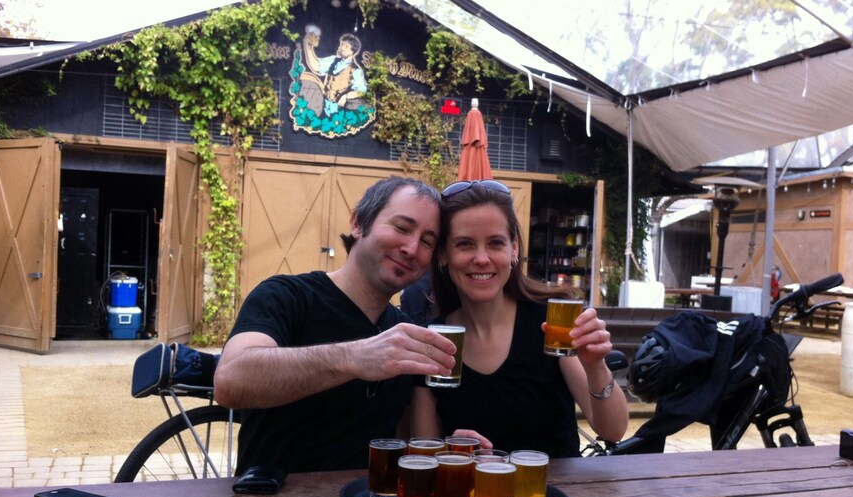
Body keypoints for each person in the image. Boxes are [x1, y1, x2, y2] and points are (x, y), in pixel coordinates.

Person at [214, 176, 457, 474]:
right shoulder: (286, 296)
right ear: (358, 223)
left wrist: (453, 452)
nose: (411, 248)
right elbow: (230, 381)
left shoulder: (403, 334)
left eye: (427, 241)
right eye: (402, 228)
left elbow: (409, 445)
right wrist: (355, 358)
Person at [410, 180, 628, 458]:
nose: (481, 258)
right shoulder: (432, 340)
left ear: (513, 249)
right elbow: (423, 455)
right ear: (443, 254)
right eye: (464, 244)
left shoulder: (550, 324)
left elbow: (613, 431)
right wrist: (450, 449)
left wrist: (596, 366)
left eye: (495, 243)